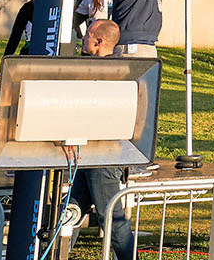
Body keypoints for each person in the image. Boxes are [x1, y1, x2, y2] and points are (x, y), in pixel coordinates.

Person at [65, 19, 137, 260]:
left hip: (104, 156)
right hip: (86, 154)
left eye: (87, 34)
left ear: (99, 41)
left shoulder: (115, 73)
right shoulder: (93, 67)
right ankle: (54, 253)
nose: (83, 38)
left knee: (112, 219)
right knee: (70, 212)